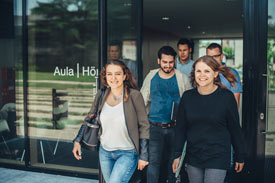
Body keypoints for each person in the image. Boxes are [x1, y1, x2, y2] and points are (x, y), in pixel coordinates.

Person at [72, 60, 150, 183]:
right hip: (105, 152)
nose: (113, 78)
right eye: (109, 74)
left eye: (118, 74)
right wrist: (78, 141)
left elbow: (144, 125)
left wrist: (144, 155)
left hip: (127, 153)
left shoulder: (135, 95)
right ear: (105, 76)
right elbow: (89, 117)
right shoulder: (101, 95)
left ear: (124, 76)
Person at [172, 56, 245, 183]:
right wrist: (177, 155)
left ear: (215, 74)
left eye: (207, 71)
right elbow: (181, 129)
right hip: (194, 155)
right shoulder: (187, 97)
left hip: (218, 155)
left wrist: (240, 155)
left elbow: (235, 129)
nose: (202, 75)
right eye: (198, 71)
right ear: (194, 73)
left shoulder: (226, 97)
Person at [141, 46, 192, 183]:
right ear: (159, 61)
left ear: (174, 61)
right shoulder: (151, 76)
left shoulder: (182, 78)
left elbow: (189, 102)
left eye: (171, 62)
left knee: (173, 164)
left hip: (175, 128)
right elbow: (142, 101)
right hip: (154, 127)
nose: (168, 65)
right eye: (165, 62)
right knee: (153, 163)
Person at [206, 43, 242, 108]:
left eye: (215, 56)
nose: (212, 60)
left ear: (222, 56)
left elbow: (235, 102)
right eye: (209, 57)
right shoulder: (203, 74)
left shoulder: (232, 73)